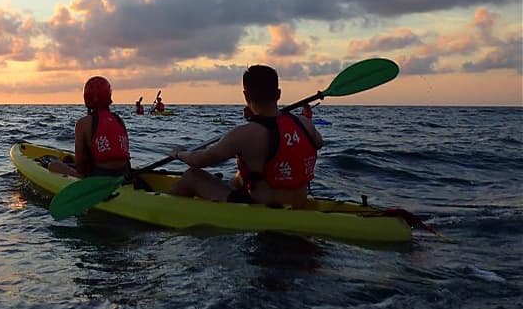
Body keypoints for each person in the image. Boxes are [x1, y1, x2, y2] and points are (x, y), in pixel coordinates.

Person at [168, 65, 323, 207]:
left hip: (264, 208)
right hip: (300, 201)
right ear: (278, 94)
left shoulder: (244, 134)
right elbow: (318, 143)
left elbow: (199, 161)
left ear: (246, 95)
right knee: (241, 176)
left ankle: (164, 207)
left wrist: (179, 153)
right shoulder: (305, 123)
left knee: (192, 176)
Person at [46, 76, 131, 178]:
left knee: (53, 165)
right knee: (69, 160)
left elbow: (80, 162)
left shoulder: (83, 123)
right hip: (124, 172)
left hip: (99, 175)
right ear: (109, 96)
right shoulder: (119, 120)